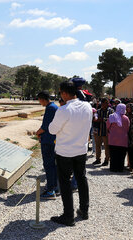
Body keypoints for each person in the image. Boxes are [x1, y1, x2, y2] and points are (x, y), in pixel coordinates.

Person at [48, 81, 92, 226]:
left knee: (65, 183)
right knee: (81, 179)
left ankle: (68, 215)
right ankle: (84, 210)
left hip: (65, 151)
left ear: (65, 93)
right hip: (81, 149)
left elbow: (52, 130)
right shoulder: (87, 106)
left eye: (61, 92)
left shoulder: (64, 110)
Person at [35, 91, 58, 200]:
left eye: (39, 100)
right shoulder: (54, 106)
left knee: (48, 165)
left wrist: (37, 133)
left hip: (48, 141)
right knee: (53, 165)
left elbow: (45, 126)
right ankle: (54, 186)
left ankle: (51, 190)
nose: (39, 102)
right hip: (53, 140)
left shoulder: (50, 108)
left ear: (42, 99)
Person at [107, 103, 130, 172]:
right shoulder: (126, 118)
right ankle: (120, 168)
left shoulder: (112, 116)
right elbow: (127, 128)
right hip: (123, 140)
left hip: (113, 139)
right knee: (121, 155)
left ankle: (113, 168)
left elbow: (107, 126)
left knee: (113, 154)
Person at [92, 98, 114, 166]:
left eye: (107, 103)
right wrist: (95, 119)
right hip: (98, 132)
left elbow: (112, 120)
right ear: (102, 103)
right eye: (104, 103)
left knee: (107, 147)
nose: (106, 104)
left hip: (106, 132)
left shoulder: (111, 111)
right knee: (97, 146)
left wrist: (102, 119)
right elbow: (95, 118)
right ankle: (98, 159)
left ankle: (107, 160)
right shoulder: (98, 111)